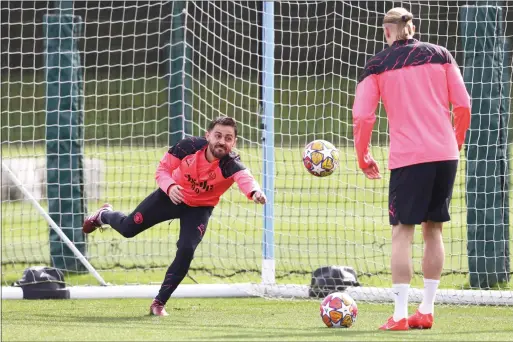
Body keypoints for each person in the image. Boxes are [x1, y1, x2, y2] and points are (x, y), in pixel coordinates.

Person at [352, 7, 471, 330]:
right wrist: (454, 142)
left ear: (386, 31)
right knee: (434, 230)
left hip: (409, 158)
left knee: (401, 233)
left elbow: (363, 116)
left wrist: (363, 155)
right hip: (446, 154)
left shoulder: (377, 65)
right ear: (412, 27)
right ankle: (427, 310)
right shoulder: (441, 55)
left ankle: (401, 314)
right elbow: (463, 105)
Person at [82, 116, 267, 316]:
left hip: (199, 209)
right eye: (218, 135)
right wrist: (170, 187)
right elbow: (162, 169)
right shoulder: (188, 146)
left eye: (228, 138)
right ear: (208, 136)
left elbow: (245, 177)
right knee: (128, 229)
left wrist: (255, 192)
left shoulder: (230, 164)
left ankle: (159, 303)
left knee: (187, 250)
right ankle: (104, 215)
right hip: (170, 196)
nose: (222, 141)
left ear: (234, 142)